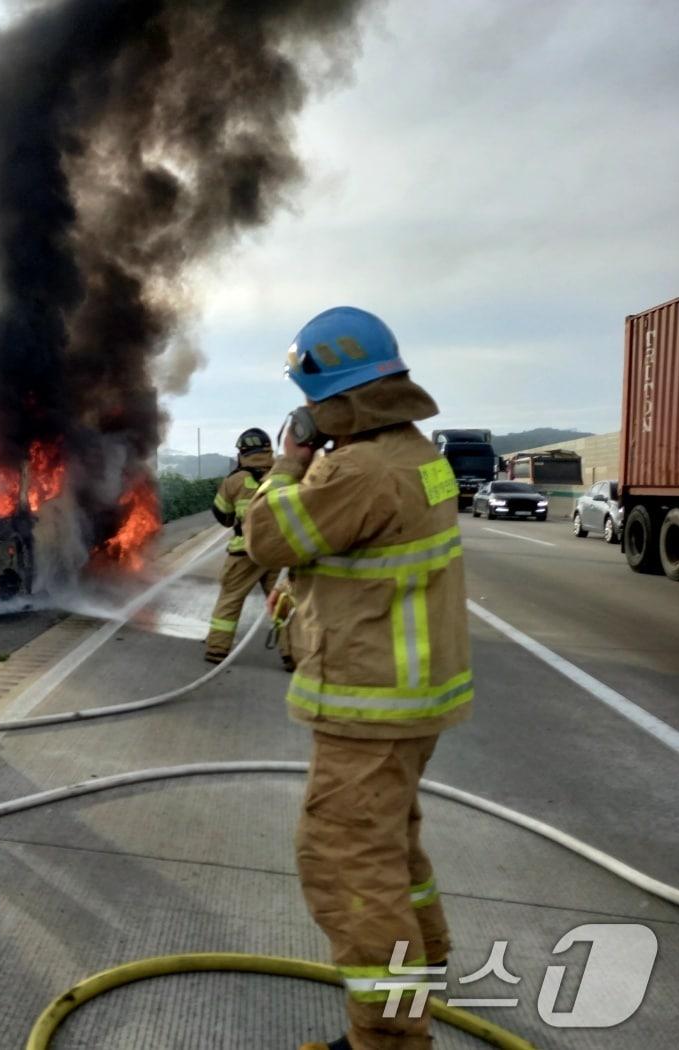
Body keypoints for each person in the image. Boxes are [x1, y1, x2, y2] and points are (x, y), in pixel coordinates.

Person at [242, 306, 471, 1050]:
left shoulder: (361, 468)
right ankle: (423, 970)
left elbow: (268, 536)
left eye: (309, 397)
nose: (305, 412)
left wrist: (286, 463)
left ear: (335, 395)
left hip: (371, 702)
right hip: (407, 698)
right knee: (391, 852)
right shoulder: (415, 454)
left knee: (344, 864)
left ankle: (391, 1038)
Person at [205, 426, 293, 669]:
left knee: (230, 599)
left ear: (242, 452)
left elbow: (222, 516)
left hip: (244, 551)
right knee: (283, 603)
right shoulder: (285, 475)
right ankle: (292, 654)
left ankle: (217, 649)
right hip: (279, 553)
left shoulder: (233, 481)